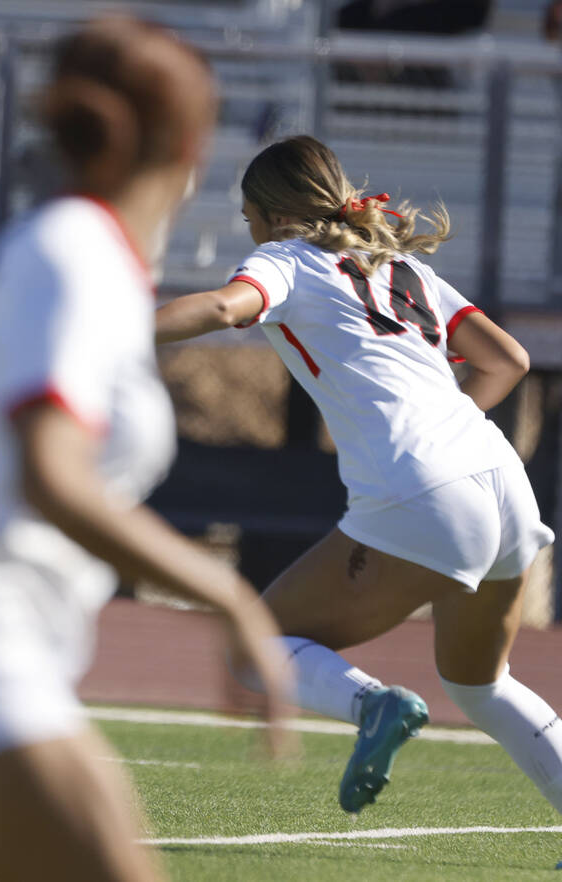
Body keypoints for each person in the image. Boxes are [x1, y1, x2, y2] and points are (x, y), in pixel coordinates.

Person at [0, 19, 292, 882]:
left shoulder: (73, 252)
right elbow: (50, 473)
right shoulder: (77, 253)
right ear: (193, 145)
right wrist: (231, 596)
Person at [154, 134, 562, 814]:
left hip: (423, 487)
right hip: (501, 478)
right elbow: (507, 361)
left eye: (248, 212)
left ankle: (373, 704)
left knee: (251, 645)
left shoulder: (283, 257)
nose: (247, 226)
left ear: (274, 212)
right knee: (480, 684)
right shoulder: (399, 265)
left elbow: (227, 309)